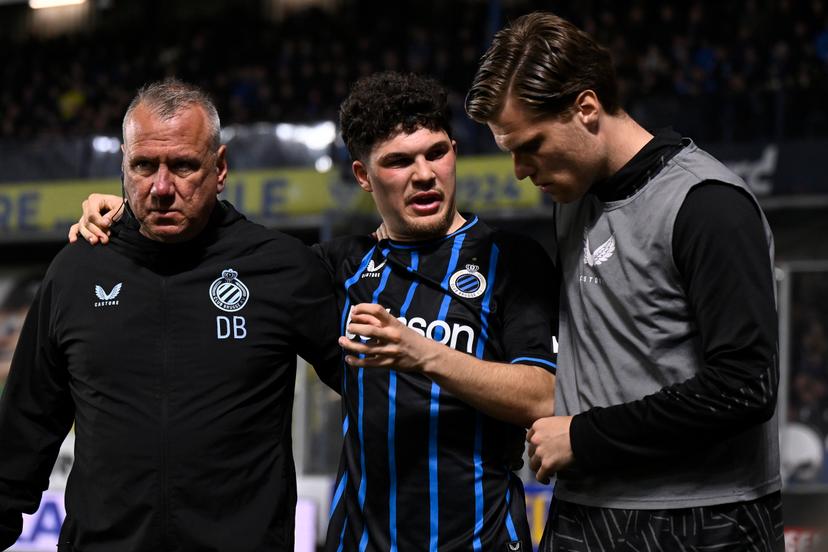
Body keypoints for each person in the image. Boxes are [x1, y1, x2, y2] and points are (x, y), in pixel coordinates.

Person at [70, 71, 559, 551]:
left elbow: (544, 396)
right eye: (398, 161)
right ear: (363, 176)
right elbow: (219, 252)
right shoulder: (334, 267)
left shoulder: (509, 259)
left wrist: (424, 354)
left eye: (436, 153)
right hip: (360, 540)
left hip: (483, 537)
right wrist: (128, 215)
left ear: (454, 151)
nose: (424, 174)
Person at [465, 11, 783, 551]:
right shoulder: (572, 198)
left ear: (586, 108)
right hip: (584, 510)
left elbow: (745, 387)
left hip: (705, 517)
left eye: (531, 145)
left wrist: (585, 437)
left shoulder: (708, 205)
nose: (519, 169)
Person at [0, 78, 343, 552]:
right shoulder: (76, 271)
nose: (161, 188)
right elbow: (26, 426)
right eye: (144, 165)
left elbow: (374, 391)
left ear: (220, 168)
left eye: (183, 166)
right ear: (123, 165)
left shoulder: (279, 267)